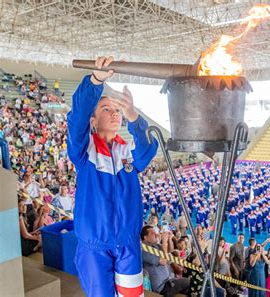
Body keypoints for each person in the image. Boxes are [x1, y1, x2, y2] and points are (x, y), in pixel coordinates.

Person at [67, 56, 159, 296]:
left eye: (117, 110)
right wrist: (96, 80)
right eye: (105, 109)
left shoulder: (127, 153)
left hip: (128, 245)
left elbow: (148, 150)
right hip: (94, 248)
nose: (114, 113)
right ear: (93, 120)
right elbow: (76, 118)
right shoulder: (84, 152)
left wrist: (134, 117)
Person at [141, 226, 190, 296]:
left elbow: (170, 251)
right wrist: (164, 241)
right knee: (190, 282)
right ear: (145, 237)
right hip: (163, 286)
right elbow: (163, 261)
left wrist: (169, 239)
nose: (156, 234)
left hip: (170, 280)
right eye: (152, 233)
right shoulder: (144, 249)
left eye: (155, 232)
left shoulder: (156, 246)